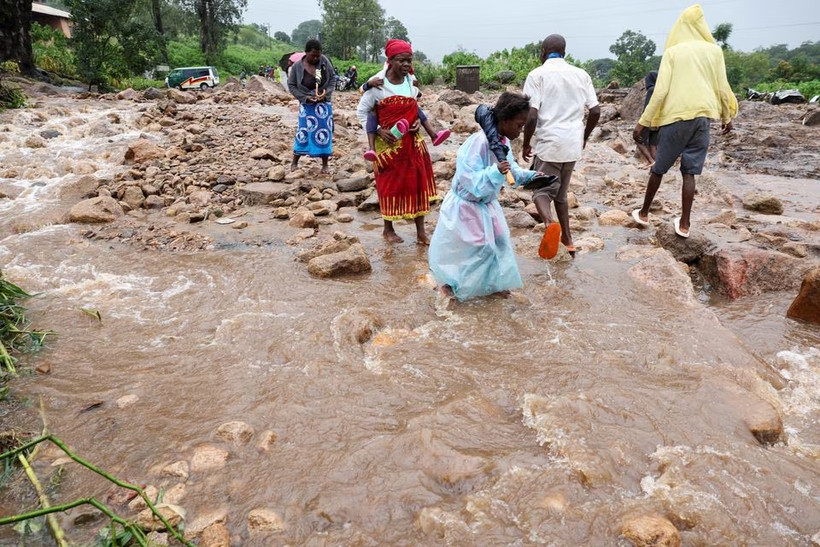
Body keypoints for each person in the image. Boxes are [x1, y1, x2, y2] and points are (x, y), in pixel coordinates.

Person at [631, 4, 737, 238]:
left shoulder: (674, 52)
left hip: (676, 119)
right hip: (703, 119)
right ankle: (685, 224)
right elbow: (722, 88)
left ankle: (645, 212)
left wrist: (643, 123)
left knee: (658, 169)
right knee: (689, 172)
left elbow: (659, 93)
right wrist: (727, 116)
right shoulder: (714, 51)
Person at [429, 92, 539, 301]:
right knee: (474, 249)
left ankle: (492, 284)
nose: (520, 130)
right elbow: (468, 180)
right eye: (518, 125)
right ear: (504, 120)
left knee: (499, 242)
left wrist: (530, 176)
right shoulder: (479, 142)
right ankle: (452, 286)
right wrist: (494, 172)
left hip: (487, 205)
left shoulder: (501, 141)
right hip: (467, 206)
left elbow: (511, 168)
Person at [522, 34, 600, 259]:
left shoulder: (537, 75)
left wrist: (526, 143)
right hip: (573, 144)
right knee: (562, 195)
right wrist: (584, 137)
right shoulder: (581, 74)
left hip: (550, 142)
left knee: (540, 191)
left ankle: (549, 223)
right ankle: (568, 239)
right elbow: (595, 111)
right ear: (564, 52)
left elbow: (532, 114)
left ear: (543, 51)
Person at [356, 39, 438, 245]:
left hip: (413, 144)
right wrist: (377, 130)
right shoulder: (377, 85)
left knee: (418, 184)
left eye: (409, 61)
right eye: (401, 60)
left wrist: (418, 121)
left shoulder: (411, 83)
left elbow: (415, 107)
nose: (406, 65)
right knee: (389, 186)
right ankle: (388, 229)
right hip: (388, 147)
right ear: (390, 61)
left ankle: (421, 232)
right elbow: (362, 111)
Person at [288, 39, 336, 174]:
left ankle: (325, 164)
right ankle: (295, 161)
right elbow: (291, 86)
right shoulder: (297, 66)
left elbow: (332, 79)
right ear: (306, 52)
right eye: (313, 55)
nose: (316, 58)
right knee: (302, 132)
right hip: (307, 106)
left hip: (323, 104)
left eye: (318, 56)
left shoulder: (324, 62)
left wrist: (325, 93)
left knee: (325, 133)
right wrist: (304, 98)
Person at [636, 71, 659, 164]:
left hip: (649, 120)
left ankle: (651, 161)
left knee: (638, 140)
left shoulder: (651, 90)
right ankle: (656, 164)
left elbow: (648, 107)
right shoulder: (660, 90)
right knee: (653, 144)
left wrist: (642, 122)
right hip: (658, 122)